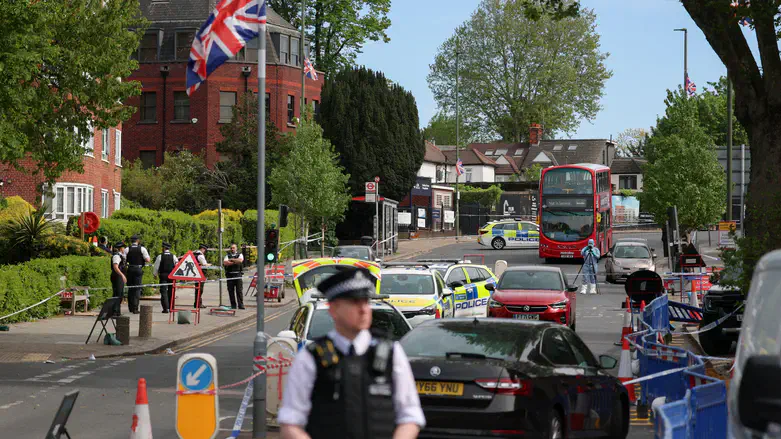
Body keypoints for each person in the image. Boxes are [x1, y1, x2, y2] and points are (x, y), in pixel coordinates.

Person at [278, 267, 425, 439]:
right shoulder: (311, 357)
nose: (363, 309)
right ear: (334, 309)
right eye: (355, 302)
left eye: (366, 301)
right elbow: (290, 423)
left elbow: (410, 416)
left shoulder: (392, 353)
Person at [123, 235, 150, 314]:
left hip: (130, 269)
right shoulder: (142, 249)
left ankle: (130, 307)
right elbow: (148, 260)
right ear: (138, 241)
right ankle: (135, 308)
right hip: (138, 269)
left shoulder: (127, 249)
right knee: (137, 289)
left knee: (130, 288)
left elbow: (124, 259)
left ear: (131, 241)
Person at [152, 242, 178, 313]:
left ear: (163, 248)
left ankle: (165, 308)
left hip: (163, 275)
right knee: (171, 291)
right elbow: (177, 266)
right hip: (171, 276)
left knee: (163, 292)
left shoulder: (160, 256)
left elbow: (156, 267)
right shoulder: (174, 256)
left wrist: (155, 274)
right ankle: (171, 307)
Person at [223, 243, 245, 310]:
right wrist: (235, 261)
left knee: (239, 291)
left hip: (238, 275)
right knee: (231, 291)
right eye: (231, 248)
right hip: (230, 275)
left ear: (236, 248)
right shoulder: (227, 255)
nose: (232, 249)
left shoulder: (240, 254)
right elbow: (225, 263)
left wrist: (231, 260)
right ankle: (233, 306)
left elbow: (240, 261)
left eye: (233, 248)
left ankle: (241, 305)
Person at [110, 242, 127, 317]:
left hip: (119, 276)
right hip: (117, 276)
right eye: (124, 248)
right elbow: (115, 267)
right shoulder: (116, 256)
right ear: (121, 248)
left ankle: (117, 311)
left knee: (120, 294)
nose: (125, 249)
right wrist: (122, 275)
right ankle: (114, 312)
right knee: (117, 294)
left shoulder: (121, 256)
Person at [192, 244, 210, 309]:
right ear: (203, 249)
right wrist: (209, 265)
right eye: (205, 250)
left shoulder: (194, 253)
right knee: (200, 289)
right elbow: (204, 264)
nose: (205, 252)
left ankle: (197, 303)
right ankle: (198, 304)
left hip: (196, 274)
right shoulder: (200, 255)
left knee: (197, 289)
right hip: (201, 274)